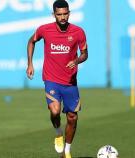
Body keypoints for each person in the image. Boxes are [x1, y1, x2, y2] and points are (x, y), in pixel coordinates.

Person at [26, 0, 88, 157]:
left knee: (72, 118)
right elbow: (31, 41)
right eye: (59, 14)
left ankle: (66, 152)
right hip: (51, 79)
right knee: (55, 110)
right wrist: (30, 64)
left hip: (70, 82)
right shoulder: (44, 29)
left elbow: (85, 54)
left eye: (65, 13)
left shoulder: (78, 32)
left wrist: (76, 60)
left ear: (69, 13)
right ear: (53, 14)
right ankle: (58, 133)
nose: (62, 17)